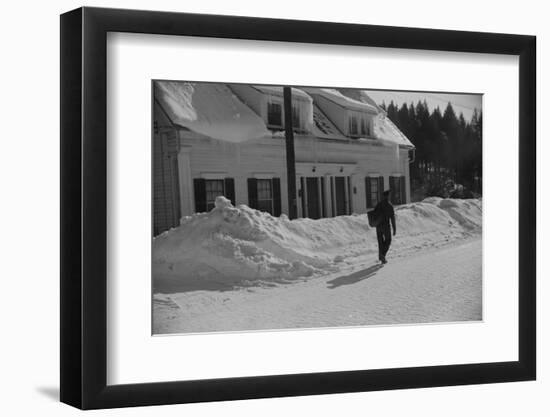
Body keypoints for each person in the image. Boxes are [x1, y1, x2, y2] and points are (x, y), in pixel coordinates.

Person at [374, 190, 396, 264]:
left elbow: (374, 214)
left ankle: (381, 257)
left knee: (380, 242)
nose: (390, 196)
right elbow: (392, 218)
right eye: (389, 195)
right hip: (386, 226)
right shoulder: (389, 205)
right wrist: (394, 228)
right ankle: (382, 255)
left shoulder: (379, 204)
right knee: (388, 240)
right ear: (387, 196)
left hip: (378, 226)